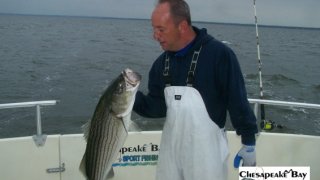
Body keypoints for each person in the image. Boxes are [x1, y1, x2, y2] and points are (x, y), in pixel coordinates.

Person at [133, 0, 258, 179]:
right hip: (171, 154)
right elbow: (157, 107)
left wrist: (249, 143)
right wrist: (128, 99)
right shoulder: (161, 64)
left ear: (182, 26)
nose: (155, 36)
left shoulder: (219, 55)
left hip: (206, 156)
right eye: (154, 29)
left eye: (161, 29)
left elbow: (237, 100)